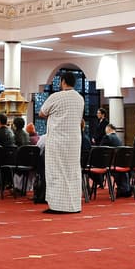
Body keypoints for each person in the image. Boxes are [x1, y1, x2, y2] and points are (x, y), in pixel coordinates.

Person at [37, 71, 86, 214]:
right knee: (72, 172)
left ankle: (58, 205)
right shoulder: (80, 98)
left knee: (56, 172)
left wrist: (55, 116)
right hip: (74, 141)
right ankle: (74, 205)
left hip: (57, 140)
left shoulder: (56, 96)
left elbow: (42, 113)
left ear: (63, 81)